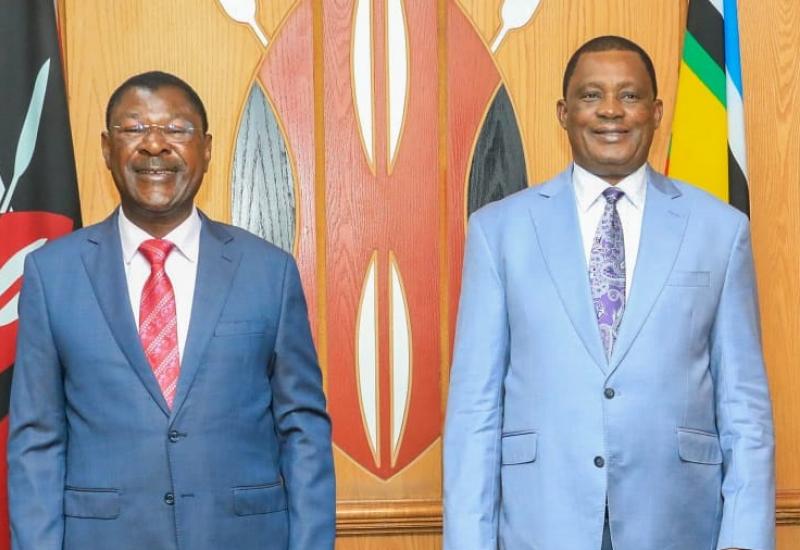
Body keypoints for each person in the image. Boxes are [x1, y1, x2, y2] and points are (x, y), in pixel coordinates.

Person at [443, 36, 774, 550]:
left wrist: (746, 540)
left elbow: (744, 409)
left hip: (677, 524)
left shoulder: (720, 230)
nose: (611, 111)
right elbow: (474, 409)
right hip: (541, 524)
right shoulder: (498, 232)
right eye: (592, 95)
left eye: (631, 95)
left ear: (657, 111)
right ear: (564, 112)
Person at [7, 71, 335, 550]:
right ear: (106, 148)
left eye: (176, 129)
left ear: (205, 148)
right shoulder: (52, 274)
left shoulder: (269, 271)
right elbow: (37, 440)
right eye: (134, 129)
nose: (155, 145)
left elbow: (303, 429)